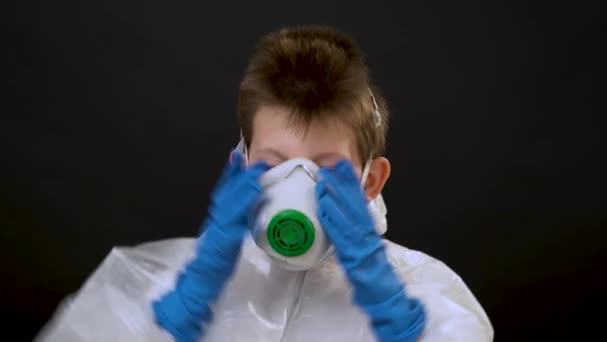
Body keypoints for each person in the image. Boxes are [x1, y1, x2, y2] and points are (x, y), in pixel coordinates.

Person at [36, 25, 494, 342]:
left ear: (370, 180)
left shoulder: (425, 293)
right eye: (273, 163)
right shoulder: (157, 280)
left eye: (325, 166)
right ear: (240, 166)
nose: (296, 183)